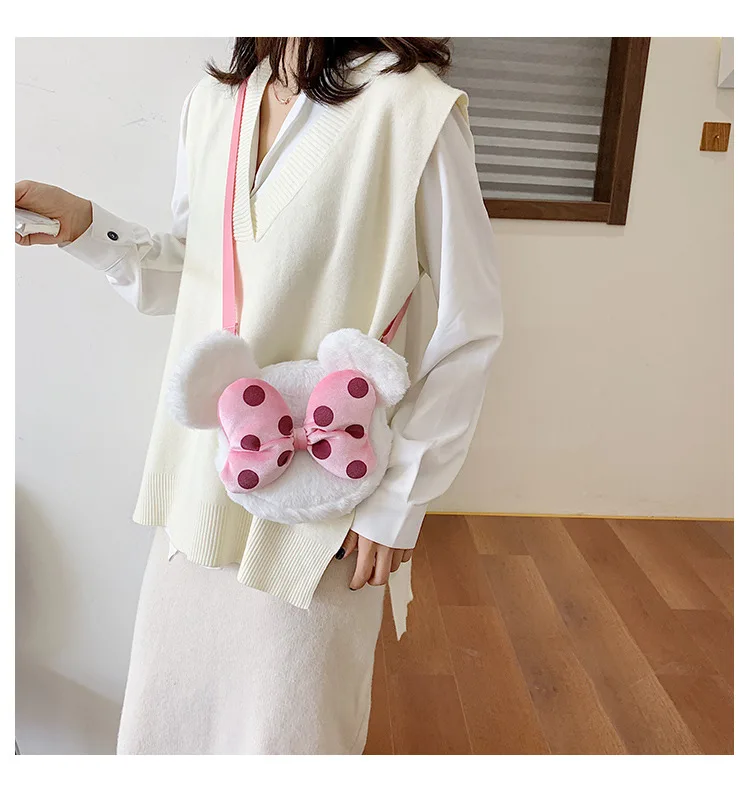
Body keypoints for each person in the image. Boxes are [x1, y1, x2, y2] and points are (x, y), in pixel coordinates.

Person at [15, 37, 503, 754]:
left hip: (324, 503)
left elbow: (471, 325)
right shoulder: (215, 103)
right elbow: (198, 277)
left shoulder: (412, 110)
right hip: (204, 483)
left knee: (288, 735)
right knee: (167, 730)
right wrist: (91, 229)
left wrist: (399, 500)